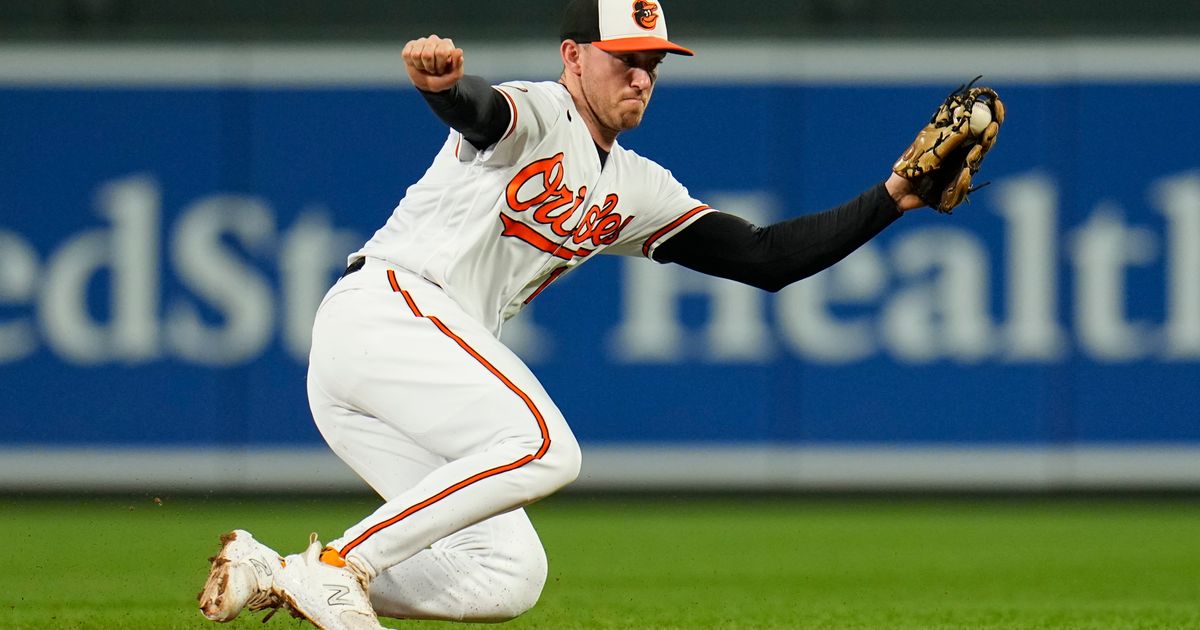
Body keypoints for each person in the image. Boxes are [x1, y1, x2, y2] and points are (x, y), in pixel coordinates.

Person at [198, 0, 933, 627]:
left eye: (654, 61)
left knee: (507, 573)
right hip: (390, 310)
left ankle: (275, 571)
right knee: (545, 445)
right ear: (573, 57)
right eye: (625, 58)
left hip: (397, 373)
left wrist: (894, 196)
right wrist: (446, 91)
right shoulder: (545, 111)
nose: (642, 75)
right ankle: (339, 566)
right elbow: (486, 114)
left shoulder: (639, 186)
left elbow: (766, 258)